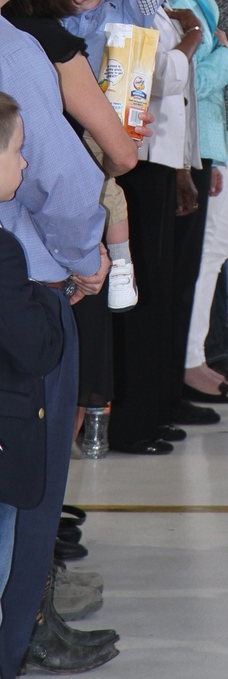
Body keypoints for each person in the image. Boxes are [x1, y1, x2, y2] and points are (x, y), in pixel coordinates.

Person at [0, 0, 114, 675]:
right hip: (23, 298)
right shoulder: (12, 51)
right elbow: (63, 184)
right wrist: (86, 259)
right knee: (24, 510)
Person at [97, 0, 204, 451]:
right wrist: (188, 38)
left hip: (165, 158)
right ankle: (134, 419)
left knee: (161, 288)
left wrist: (185, 166)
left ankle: (158, 403)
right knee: (138, 295)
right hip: (136, 159)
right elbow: (149, 81)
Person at [154, 0, 228, 405]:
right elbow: (185, 80)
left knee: (192, 265)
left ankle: (189, 364)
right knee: (182, 266)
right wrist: (227, 58)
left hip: (200, 138)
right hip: (180, 142)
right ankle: (177, 375)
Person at [0, 91, 73, 679]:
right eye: (18, 152)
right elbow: (37, 346)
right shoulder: (3, 254)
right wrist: (48, 305)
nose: (25, 165)